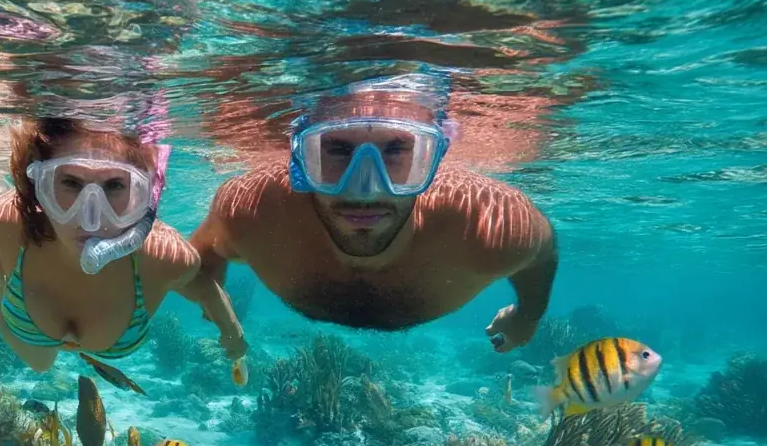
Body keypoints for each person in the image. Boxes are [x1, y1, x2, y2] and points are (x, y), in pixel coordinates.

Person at [183, 72, 557, 354]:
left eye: (395, 150)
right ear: (299, 159)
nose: (365, 188)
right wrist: (213, 296)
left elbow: (542, 254)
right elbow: (207, 252)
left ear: (432, 161)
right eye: (336, 150)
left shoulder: (491, 226)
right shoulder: (250, 212)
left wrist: (528, 314)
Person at [0, 115, 203, 372]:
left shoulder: (169, 256)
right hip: (18, 298)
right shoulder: (1, 223)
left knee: (41, 365)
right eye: (71, 182)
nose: (90, 220)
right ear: (39, 186)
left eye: (114, 185)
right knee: (41, 364)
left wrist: (230, 330)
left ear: (144, 195)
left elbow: (201, 285)